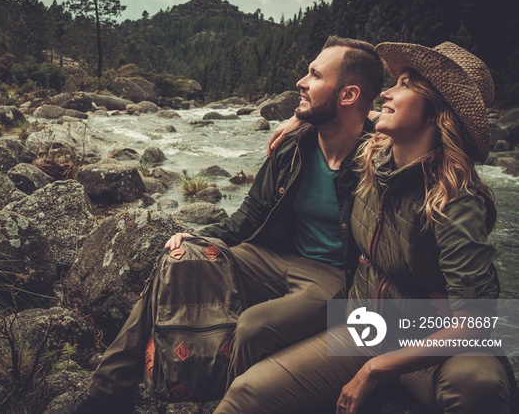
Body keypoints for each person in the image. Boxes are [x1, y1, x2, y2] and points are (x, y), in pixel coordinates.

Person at [50, 36, 384, 414]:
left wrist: (321, 117)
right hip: (274, 257)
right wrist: (198, 238)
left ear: (348, 95)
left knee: (254, 326)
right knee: (179, 257)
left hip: (338, 277)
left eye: (314, 75)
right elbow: (249, 218)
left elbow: (423, 130)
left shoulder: (381, 156)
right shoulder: (295, 146)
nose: (300, 83)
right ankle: (106, 393)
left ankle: (225, 402)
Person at [213, 41, 513, 414]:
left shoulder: (455, 199)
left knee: (477, 381)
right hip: (366, 326)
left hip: (426, 339)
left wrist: (375, 368)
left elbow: (478, 320)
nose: (386, 91)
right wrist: (302, 118)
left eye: (404, 85)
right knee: (246, 394)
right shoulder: (373, 158)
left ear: (436, 112)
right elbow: (345, 106)